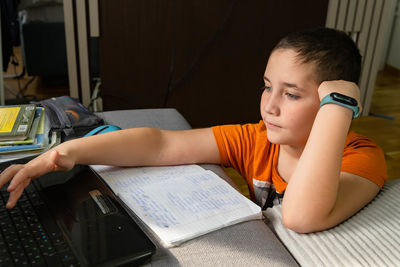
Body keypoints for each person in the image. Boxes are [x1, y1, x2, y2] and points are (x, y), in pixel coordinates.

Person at [0, 28, 387, 234]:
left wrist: (339, 108)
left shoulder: (362, 158)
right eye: (268, 85)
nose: (270, 105)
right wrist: (61, 154)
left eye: (292, 94)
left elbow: (301, 217)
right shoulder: (255, 138)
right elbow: (161, 144)